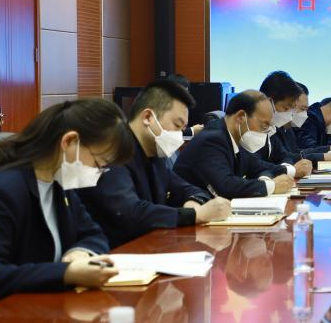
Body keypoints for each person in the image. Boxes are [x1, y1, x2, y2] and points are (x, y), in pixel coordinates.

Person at [0, 99, 132, 322]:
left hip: (33, 315)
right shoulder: (3, 190)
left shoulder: (58, 184)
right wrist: (66, 273)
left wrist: (80, 252)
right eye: (98, 163)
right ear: (69, 141)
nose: (98, 173)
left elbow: (93, 233)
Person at [78, 79, 233, 248]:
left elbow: (188, 189)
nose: (179, 135)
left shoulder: (155, 154)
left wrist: (193, 203)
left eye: (183, 129)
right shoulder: (113, 151)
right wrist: (195, 215)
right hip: (113, 253)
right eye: (177, 125)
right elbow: (129, 212)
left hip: (149, 247)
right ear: (147, 117)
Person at [174, 90, 306, 198]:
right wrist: (272, 186)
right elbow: (226, 186)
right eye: (263, 125)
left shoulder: (232, 137)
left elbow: (257, 166)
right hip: (187, 215)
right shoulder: (212, 139)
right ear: (241, 117)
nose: (265, 132)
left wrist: (280, 174)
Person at [258, 72, 331, 165]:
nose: (291, 114)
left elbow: (291, 154)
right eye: (286, 108)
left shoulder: (283, 128)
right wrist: (323, 156)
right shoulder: (257, 128)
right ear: (269, 102)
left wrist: (328, 149)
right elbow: (262, 165)